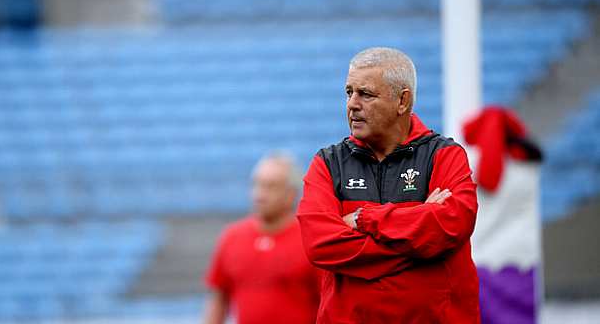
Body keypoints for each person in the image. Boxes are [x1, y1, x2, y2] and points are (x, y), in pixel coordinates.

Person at [297, 47, 480, 323]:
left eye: (365, 94)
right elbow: (320, 245)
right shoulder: (328, 163)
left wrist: (364, 218)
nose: (352, 104)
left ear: (402, 101)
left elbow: (453, 223)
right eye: (349, 93)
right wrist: (418, 242)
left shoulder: (444, 155)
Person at [203, 152, 320, 324]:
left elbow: (328, 301)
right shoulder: (232, 237)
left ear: (291, 194)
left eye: (270, 186)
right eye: (256, 185)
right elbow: (219, 298)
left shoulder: (311, 240)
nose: (260, 194)